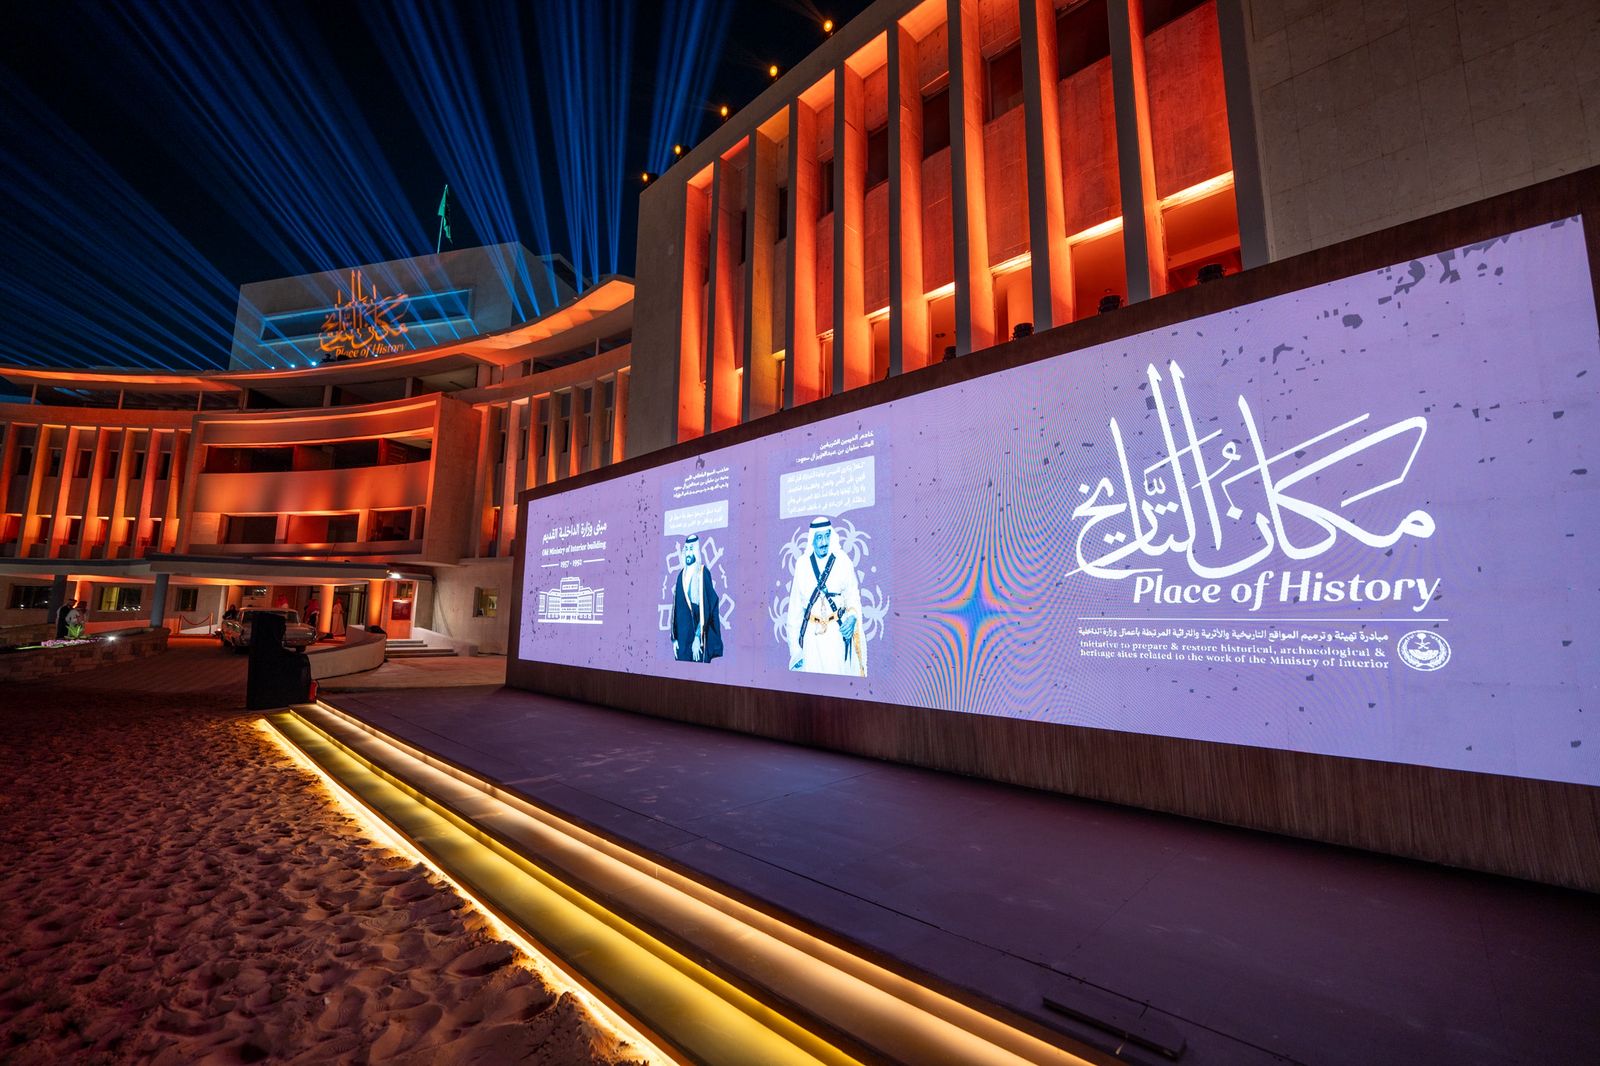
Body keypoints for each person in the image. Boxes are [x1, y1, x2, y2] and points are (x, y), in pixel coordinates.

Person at [785, 516, 866, 676]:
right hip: (811, 638)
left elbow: (853, 596)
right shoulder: (802, 565)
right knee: (812, 684)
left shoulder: (843, 561)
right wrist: (795, 651)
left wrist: (851, 618)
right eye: (819, 537)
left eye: (827, 536)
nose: (824, 542)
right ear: (812, 539)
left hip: (837, 634)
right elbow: (794, 611)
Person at [670, 534, 722, 663]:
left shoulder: (702, 573)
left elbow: (707, 609)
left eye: (691, 549)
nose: (688, 553)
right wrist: (674, 639)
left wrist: (698, 638)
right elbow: (675, 610)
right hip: (682, 642)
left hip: (696, 643)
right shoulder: (680, 576)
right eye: (686, 549)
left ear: (696, 551)